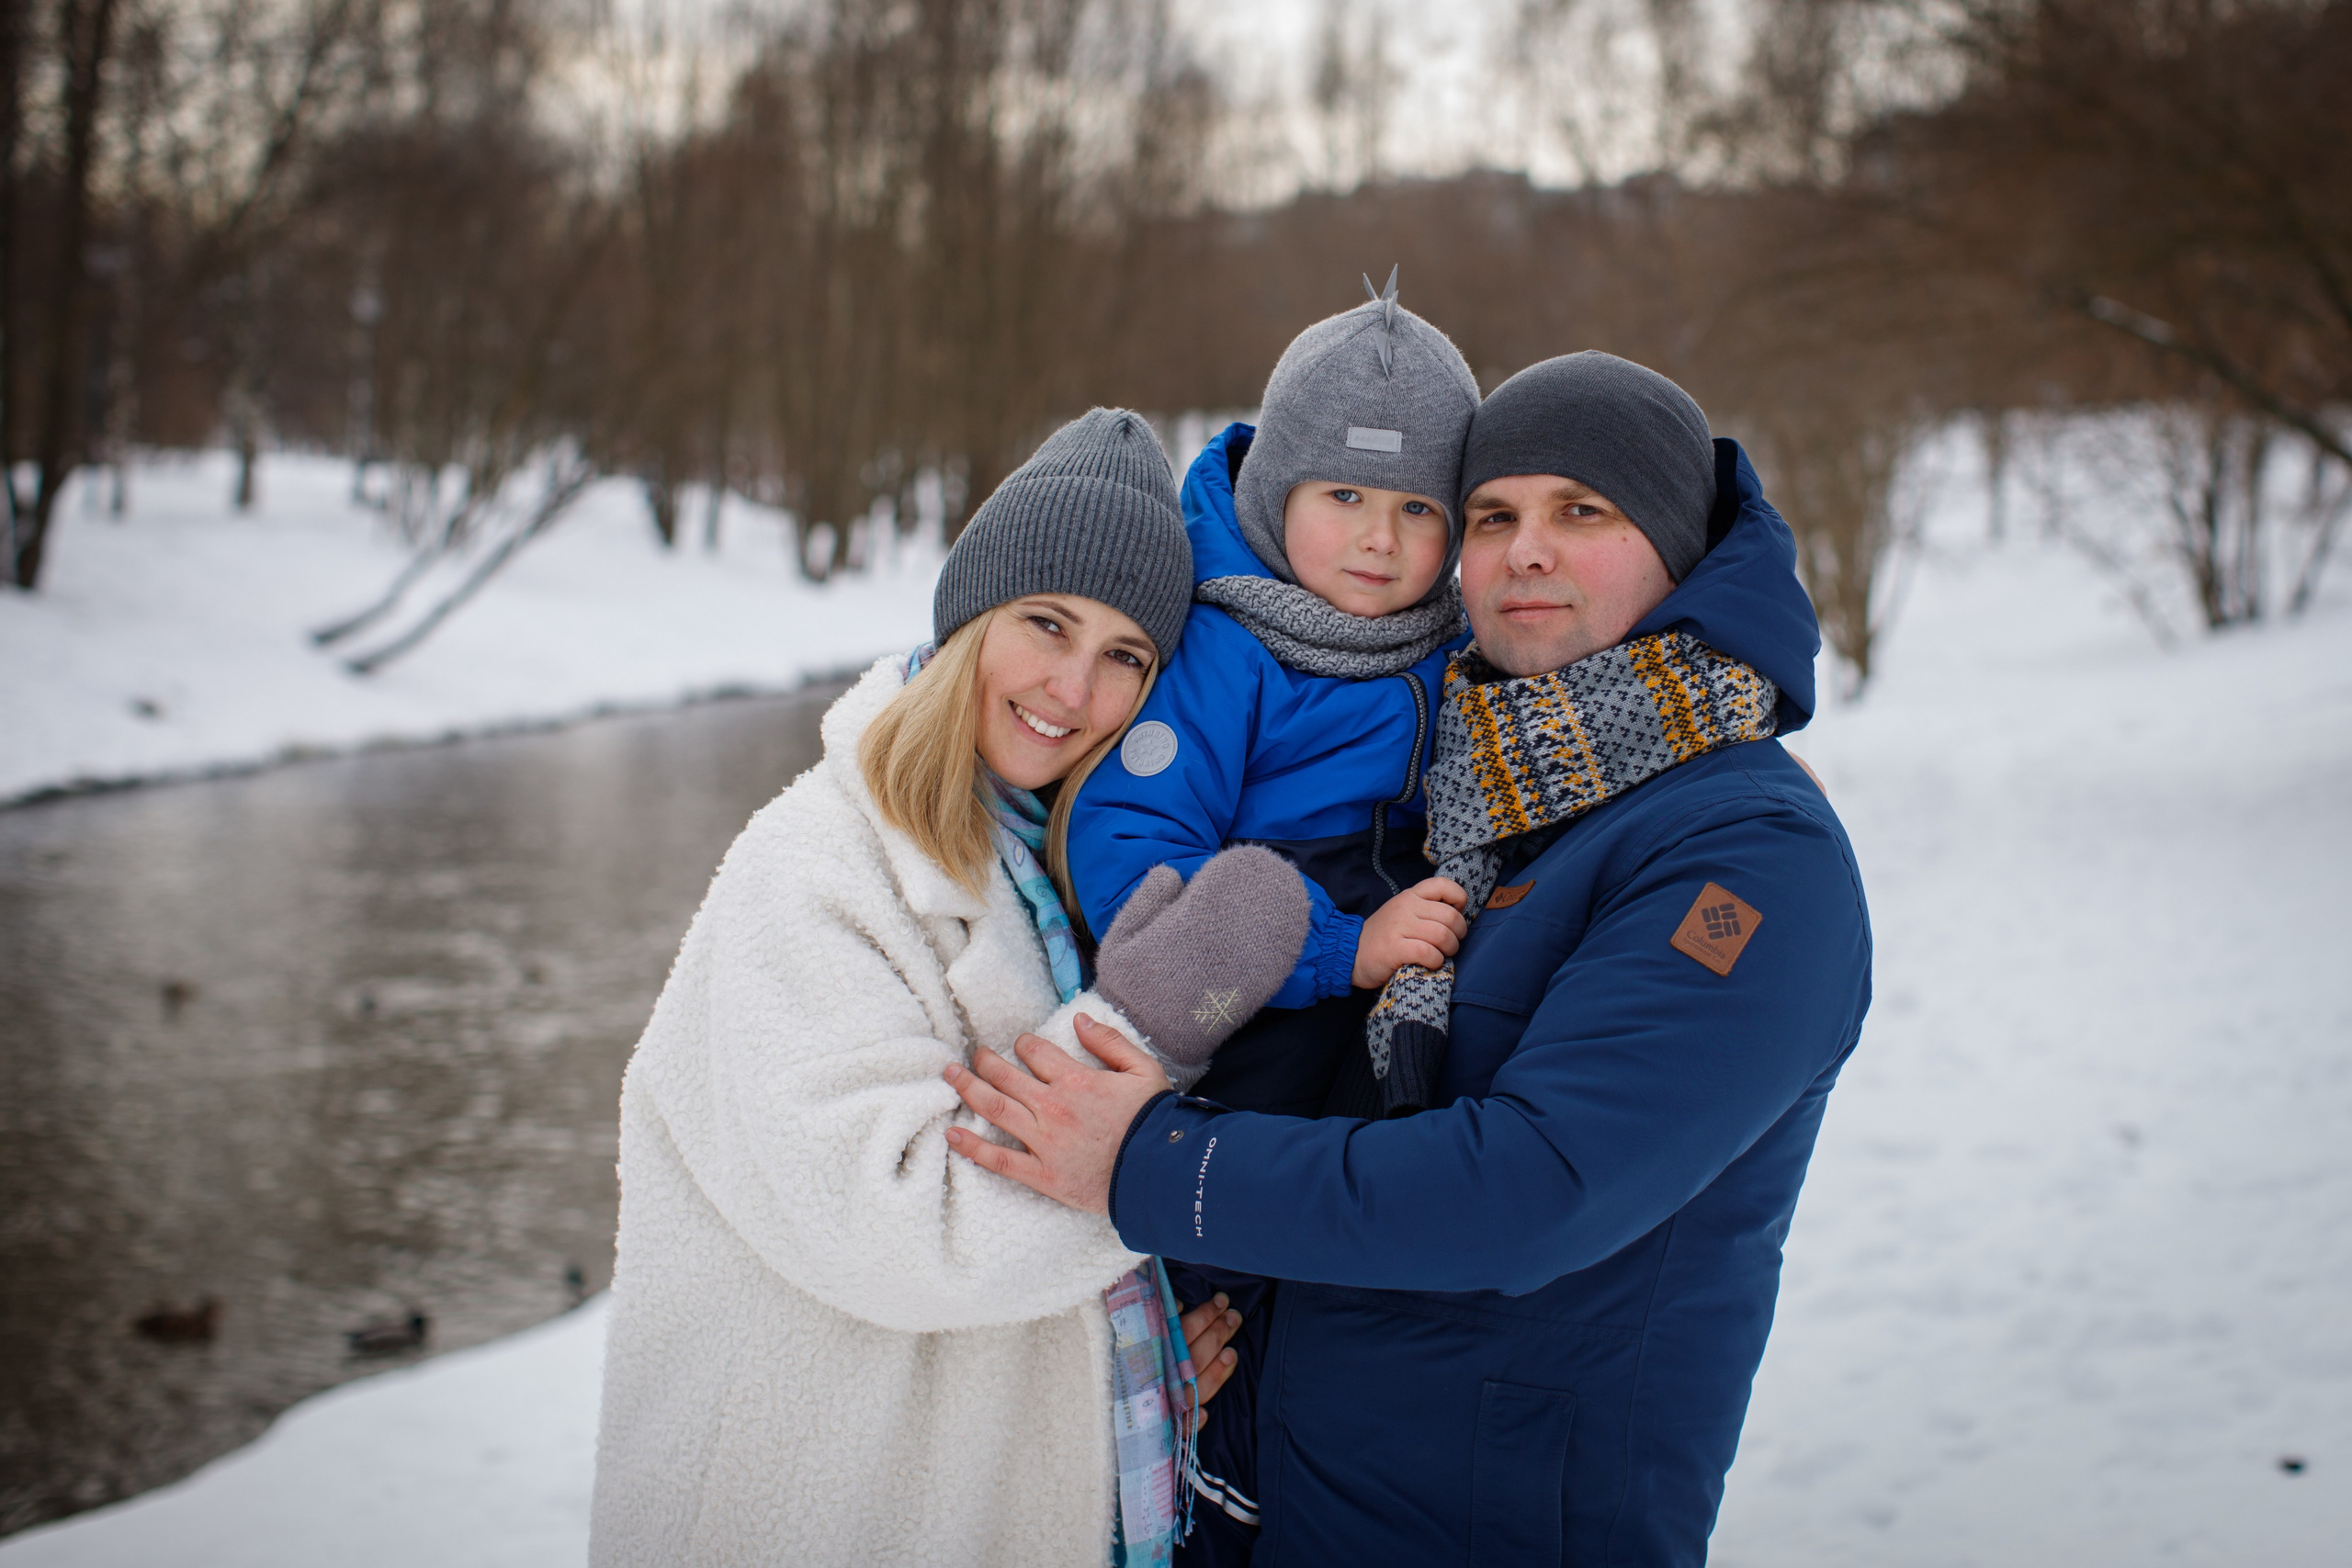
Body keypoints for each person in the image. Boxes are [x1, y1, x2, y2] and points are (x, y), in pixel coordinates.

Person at [944, 354, 1875, 1564]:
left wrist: (1144, 1161)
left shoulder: (1744, 851)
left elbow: (1534, 1187)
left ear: (1681, 549)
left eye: (1581, 511)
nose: (1526, 550)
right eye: (1493, 515)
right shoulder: (1473, 788)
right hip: (1263, 1493)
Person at [589, 408, 1312, 1568]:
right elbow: (904, 1231)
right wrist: (1148, 1026)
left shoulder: (1042, 863)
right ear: (969, 613)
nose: (1074, 689)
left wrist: (1111, 1366)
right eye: (1046, 623)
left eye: (1125, 655)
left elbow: (1013, 1230)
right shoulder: (814, 873)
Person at [1061, 273, 1481, 1555]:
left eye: (1417, 508)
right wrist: (1331, 945)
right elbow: (1129, 849)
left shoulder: (1439, 643)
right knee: (1229, 1254)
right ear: (1276, 494)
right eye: (1345, 496)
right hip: (1232, 988)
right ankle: (1188, 1465)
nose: (1378, 538)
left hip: (1373, 968)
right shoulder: (1225, 641)